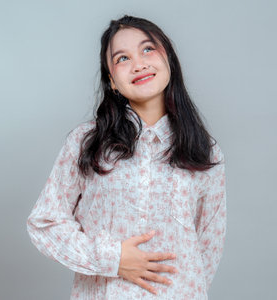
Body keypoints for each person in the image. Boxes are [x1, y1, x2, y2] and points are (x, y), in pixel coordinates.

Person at [26, 15, 227, 299]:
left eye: (148, 49)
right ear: (112, 80)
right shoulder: (87, 143)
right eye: (122, 58)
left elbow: (207, 246)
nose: (139, 64)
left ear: (168, 58)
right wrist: (112, 259)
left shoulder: (204, 150)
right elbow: (44, 224)